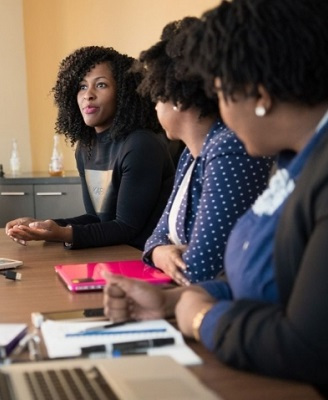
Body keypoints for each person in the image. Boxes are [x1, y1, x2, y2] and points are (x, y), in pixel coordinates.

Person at [104, 0, 328, 393]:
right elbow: (267, 277)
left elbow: (307, 348)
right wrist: (177, 301)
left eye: (222, 93)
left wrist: (201, 319)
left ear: (259, 95)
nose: (219, 111)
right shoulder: (296, 162)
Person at [135, 17, 273, 285]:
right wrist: (160, 253)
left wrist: (163, 254)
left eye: (157, 97)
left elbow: (201, 268)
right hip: (184, 295)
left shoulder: (229, 148)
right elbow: (156, 236)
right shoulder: (190, 153)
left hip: (208, 303)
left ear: (178, 97)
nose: (154, 108)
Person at [6, 46, 175, 250]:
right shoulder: (85, 148)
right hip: (111, 254)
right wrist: (41, 226)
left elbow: (127, 227)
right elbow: (96, 219)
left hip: (143, 259)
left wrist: (63, 233)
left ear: (123, 93)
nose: (88, 95)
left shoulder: (141, 145)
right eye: (82, 86)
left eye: (101, 85)